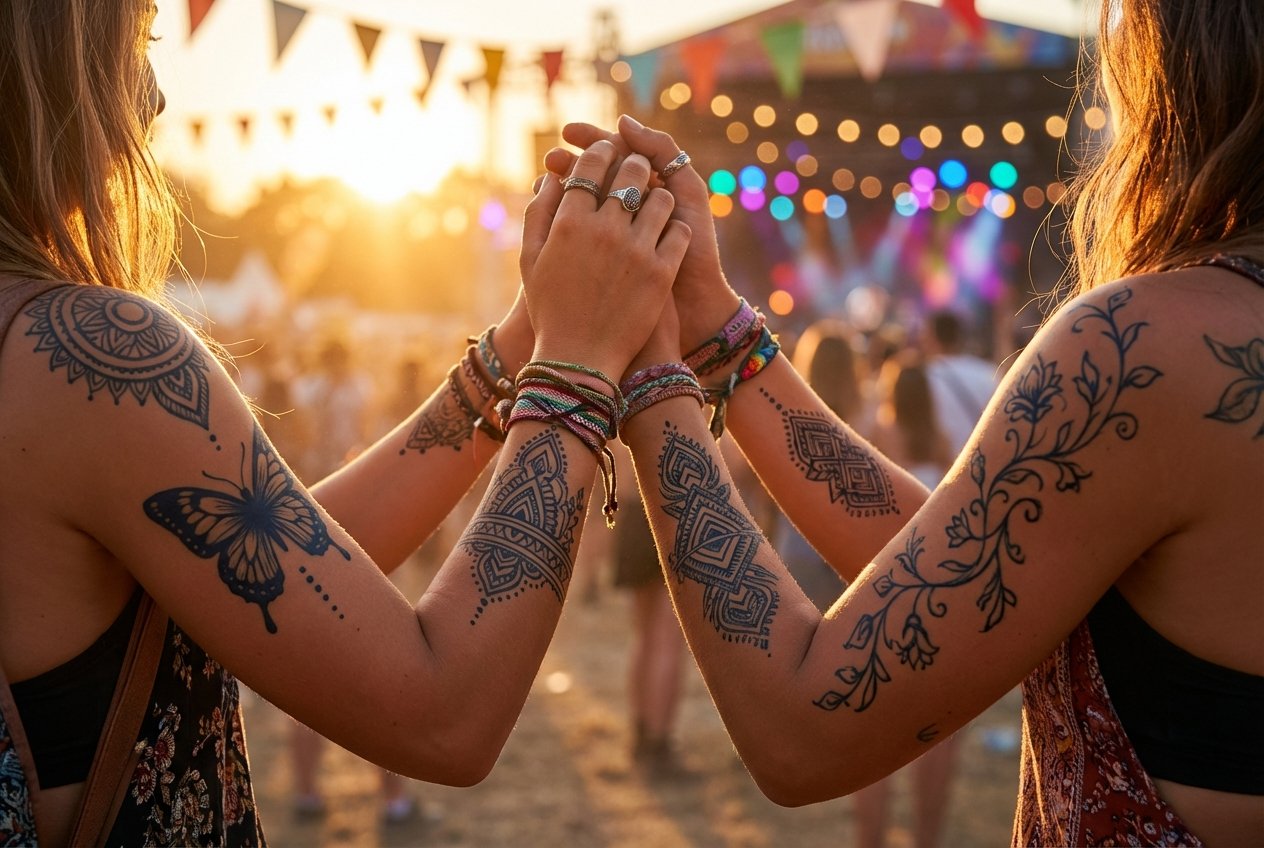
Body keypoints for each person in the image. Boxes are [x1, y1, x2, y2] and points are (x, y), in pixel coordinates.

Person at [542, 0, 1264, 842]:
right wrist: (718, 333)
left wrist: (649, 367)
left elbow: (804, 733)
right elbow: (969, 570)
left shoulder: (1140, 353)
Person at [0, 3, 690, 844]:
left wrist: (520, 343)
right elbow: (441, 714)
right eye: (134, 49)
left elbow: (283, 571)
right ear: (41, 66)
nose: (151, 100)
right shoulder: (88, 354)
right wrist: (577, 367)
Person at [859, 352, 960, 848]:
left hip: (885, 591)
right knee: (934, 730)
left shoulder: (882, 434)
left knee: (874, 730)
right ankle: (927, 837)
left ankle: (871, 838)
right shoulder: (941, 443)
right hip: (936, 594)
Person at [921, 310, 997, 457]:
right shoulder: (988, 372)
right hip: (984, 461)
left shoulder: (923, 378)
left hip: (944, 469)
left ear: (930, 337)